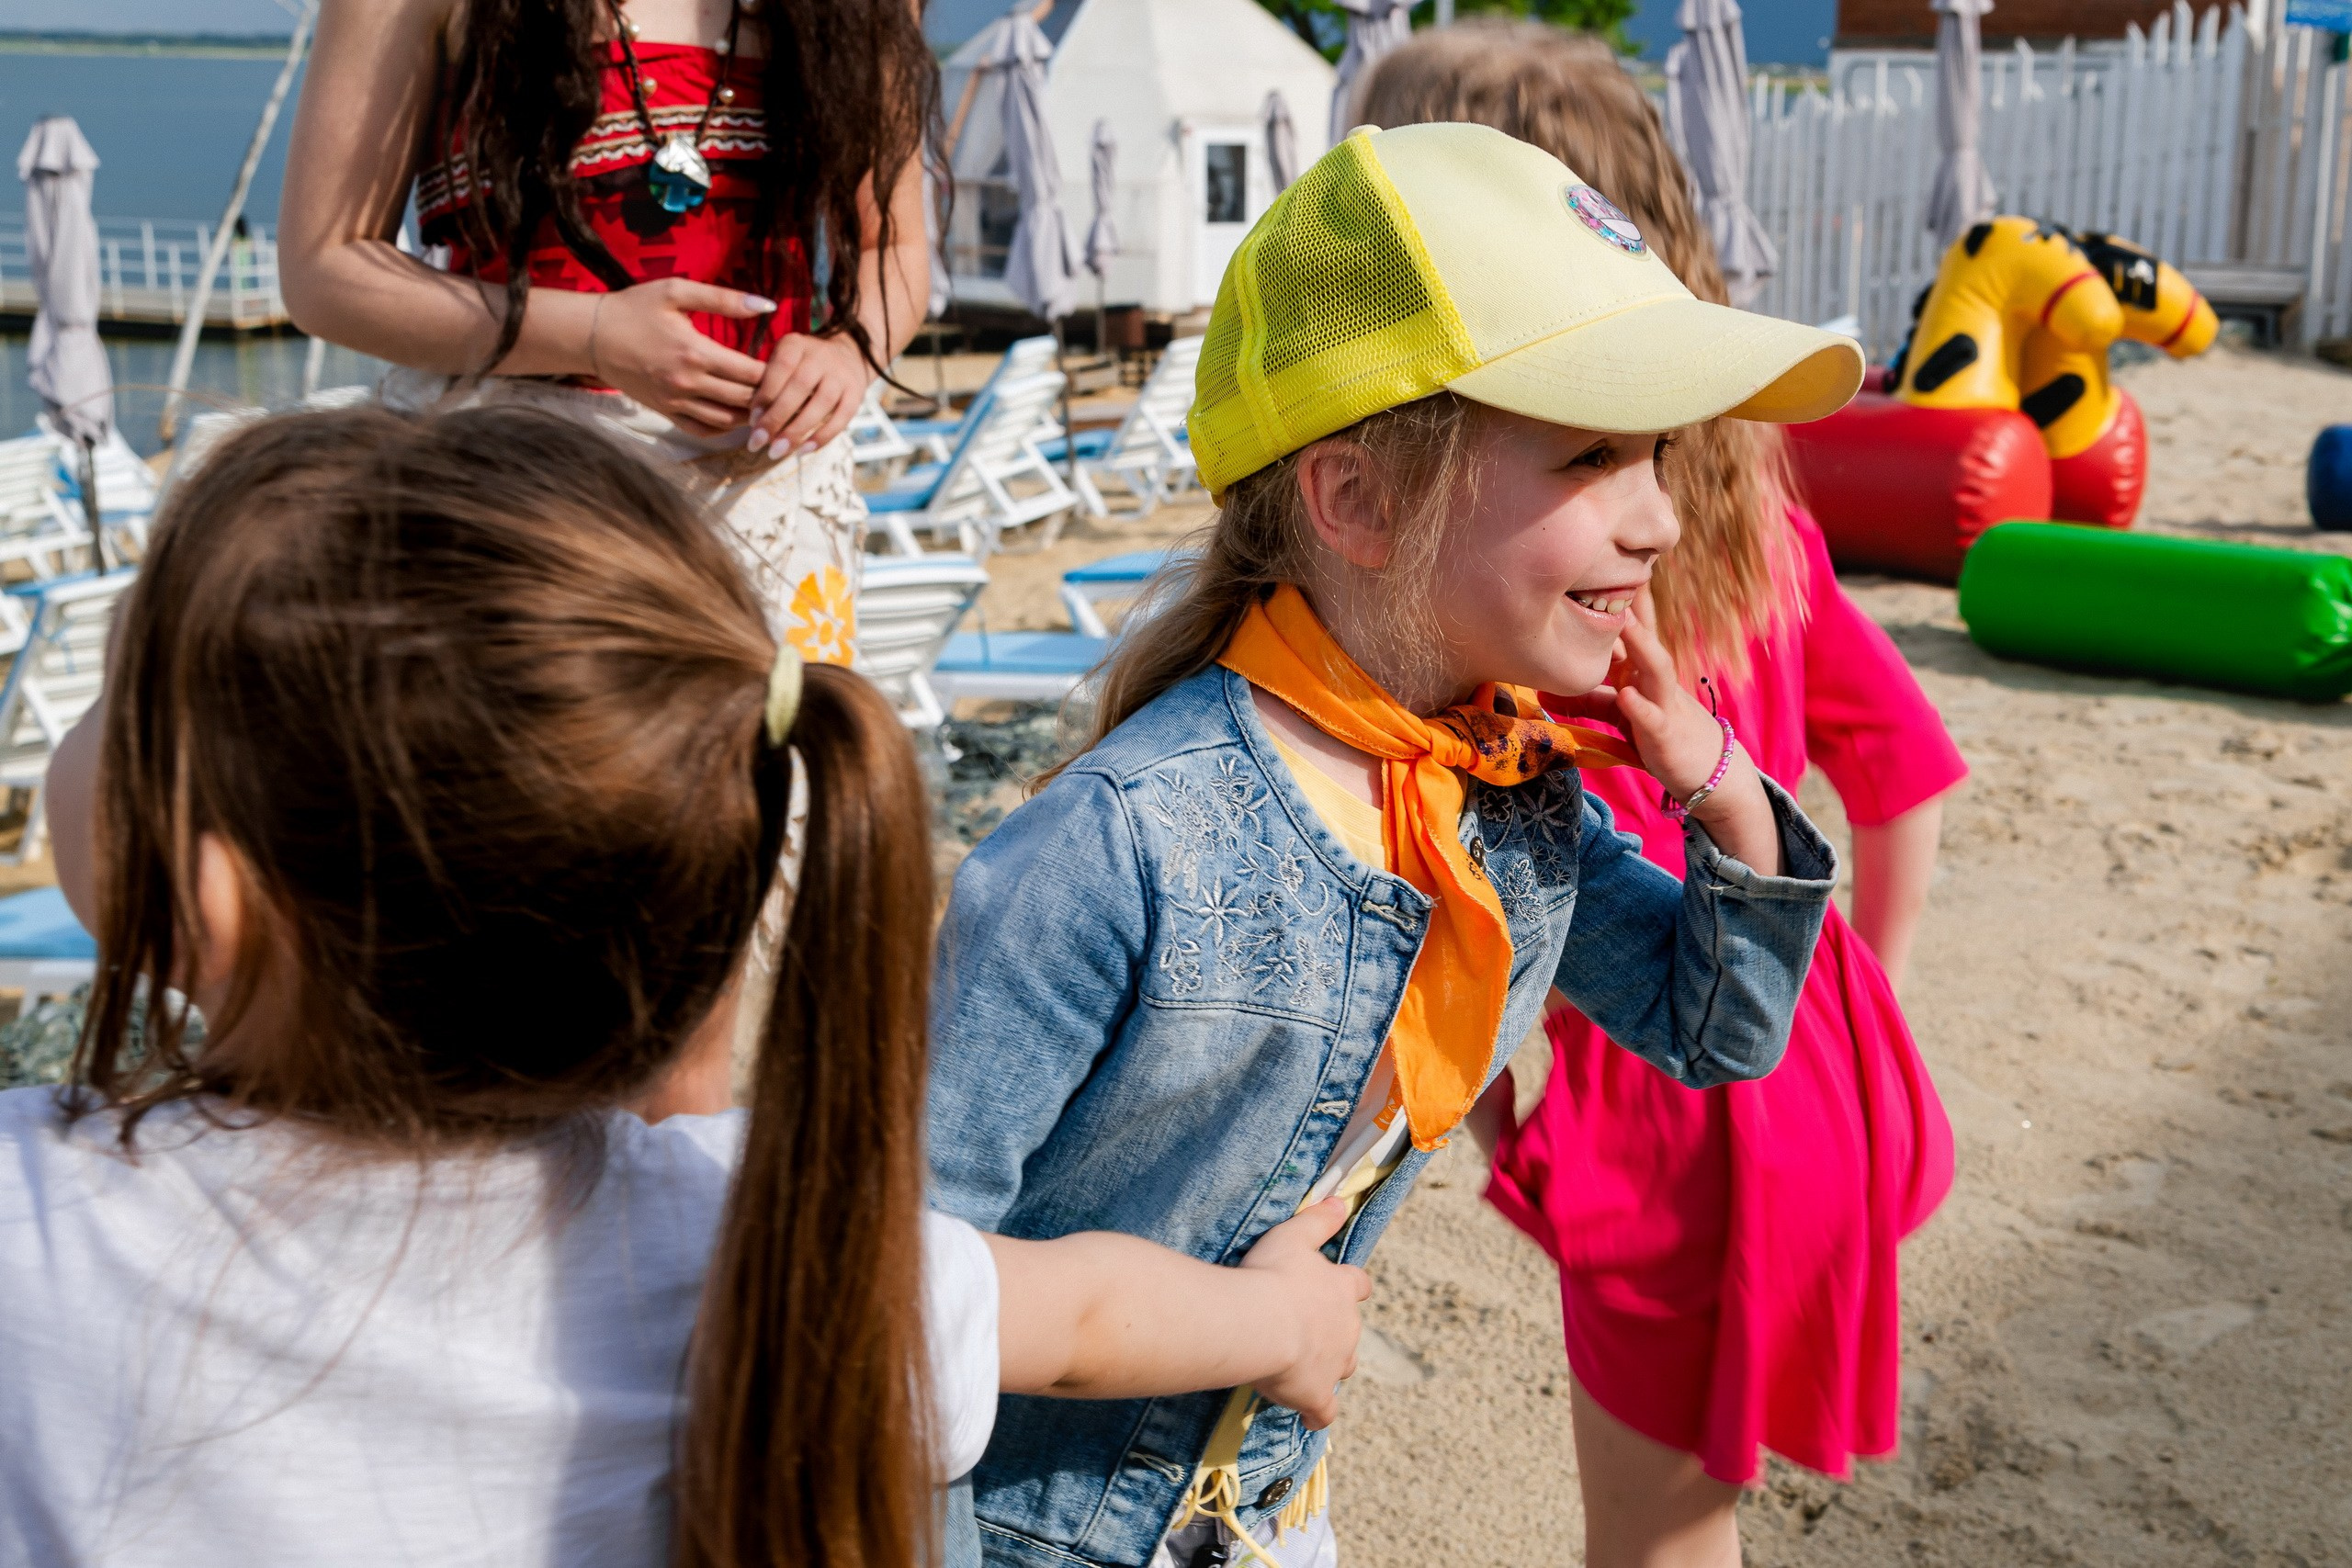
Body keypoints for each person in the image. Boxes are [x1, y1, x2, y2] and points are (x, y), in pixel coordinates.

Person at [0, 406, 1374, 1568]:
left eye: (122, 690)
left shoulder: (43, 1226)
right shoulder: (750, 1241)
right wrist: (1285, 1318)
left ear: (215, 889)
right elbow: (1078, 1316)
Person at [925, 122, 1864, 1568]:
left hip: (1267, 1511)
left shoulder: (1512, 800)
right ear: (1358, 499)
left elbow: (1711, 1029)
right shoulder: (1115, 847)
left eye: (1661, 457)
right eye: (1595, 454)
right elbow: (898, 1288)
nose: (1666, 517)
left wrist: (1726, 787)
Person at [1361, 23, 1968, 1568]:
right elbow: (1902, 777)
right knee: (1692, 1513)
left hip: (1677, 1120)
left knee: (1658, 1543)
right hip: (1808, 1065)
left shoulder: (1516, 602)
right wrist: (1842, 1004)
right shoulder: (1755, 523)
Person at [277, 0, 935, 655]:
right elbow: (324, 269)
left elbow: (896, 247)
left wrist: (848, 352)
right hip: (519, 500)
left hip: (773, 504)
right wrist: (591, 332)